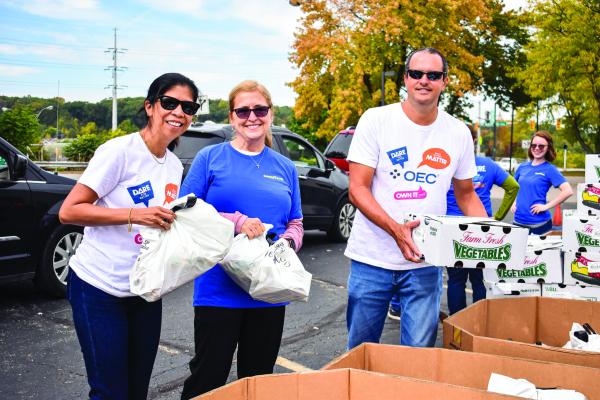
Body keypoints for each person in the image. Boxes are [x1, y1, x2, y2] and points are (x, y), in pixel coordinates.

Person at [59, 73, 200, 399]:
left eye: (188, 106)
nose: (179, 111)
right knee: (110, 392)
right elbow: (70, 211)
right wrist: (134, 214)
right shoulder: (119, 151)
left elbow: (158, 224)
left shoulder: (174, 165)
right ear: (150, 107)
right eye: (169, 103)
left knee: (137, 390)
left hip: (145, 290)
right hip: (98, 288)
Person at [344, 47, 487, 349]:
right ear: (406, 79)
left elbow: (466, 195)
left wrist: (493, 237)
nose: (424, 80)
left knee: (419, 356)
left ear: (444, 82)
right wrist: (395, 230)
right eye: (417, 73)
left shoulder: (457, 132)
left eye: (433, 75)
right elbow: (357, 189)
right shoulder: (376, 120)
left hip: (425, 263)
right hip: (372, 259)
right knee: (359, 351)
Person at [179, 80, 303, 399]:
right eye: (243, 110)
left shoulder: (285, 167)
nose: (252, 116)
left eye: (259, 109)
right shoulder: (211, 158)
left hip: (269, 289)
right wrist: (237, 221)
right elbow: (184, 210)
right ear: (232, 117)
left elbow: (296, 222)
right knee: (209, 377)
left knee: (258, 381)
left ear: (270, 114)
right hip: (218, 290)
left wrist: (288, 244)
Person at [445, 127, 520, 315]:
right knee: (479, 278)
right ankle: (478, 321)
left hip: (452, 227)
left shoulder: (446, 165)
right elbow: (513, 186)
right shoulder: (488, 164)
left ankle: (456, 323)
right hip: (481, 227)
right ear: (473, 141)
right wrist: (499, 216)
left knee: (455, 280)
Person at [512, 130, 573, 235]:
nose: (536, 148)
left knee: (535, 252)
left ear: (548, 148)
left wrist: (546, 206)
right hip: (517, 222)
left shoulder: (550, 169)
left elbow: (568, 191)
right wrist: (512, 202)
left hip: (539, 225)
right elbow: (513, 187)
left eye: (541, 146)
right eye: (534, 145)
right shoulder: (522, 167)